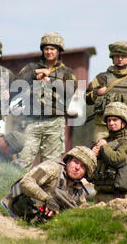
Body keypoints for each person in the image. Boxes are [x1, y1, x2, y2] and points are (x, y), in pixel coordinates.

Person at [10, 32, 77, 171]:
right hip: (31, 121)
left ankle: (46, 192)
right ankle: (15, 191)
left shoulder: (67, 72)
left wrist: (50, 82)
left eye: (52, 49)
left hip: (54, 123)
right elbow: (15, 86)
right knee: (22, 161)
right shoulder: (31, 68)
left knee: (51, 166)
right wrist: (33, 76)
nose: (49, 52)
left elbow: (69, 93)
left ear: (58, 51)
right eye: (46, 49)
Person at [1, 146, 97, 223]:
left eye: (83, 166)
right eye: (75, 162)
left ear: (86, 173)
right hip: (9, 212)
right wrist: (48, 200)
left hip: (32, 227)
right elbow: (26, 182)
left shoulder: (78, 190)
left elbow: (82, 210)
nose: (77, 168)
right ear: (68, 161)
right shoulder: (52, 168)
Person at [86, 41, 127, 142]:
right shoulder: (101, 78)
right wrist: (97, 93)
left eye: (123, 56)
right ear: (112, 57)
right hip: (104, 127)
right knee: (99, 154)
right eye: (117, 56)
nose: (120, 59)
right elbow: (86, 99)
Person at [91, 102, 127, 203]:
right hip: (100, 195)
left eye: (115, 120)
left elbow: (117, 159)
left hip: (122, 198)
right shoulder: (104, 141)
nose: (111, 123)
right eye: (109, 120)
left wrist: (103, 147)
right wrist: (93, 154)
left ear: (124, 122)